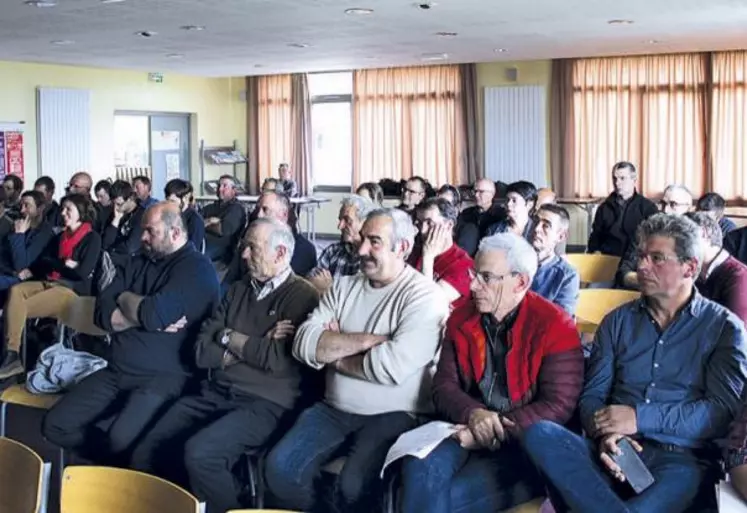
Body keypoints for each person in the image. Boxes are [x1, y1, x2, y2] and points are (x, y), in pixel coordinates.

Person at [522, 213, 747, 513]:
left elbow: (720, 413)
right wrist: (606, 433)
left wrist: (639, 418)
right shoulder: (617, 322)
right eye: (641, 256)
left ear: (689, 267)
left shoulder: (724, 328)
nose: (641, 266)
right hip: (615, 450)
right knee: (540, 433)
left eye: (657, 258)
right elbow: (592, 396)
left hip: (682, 459)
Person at [264, 208, 450, 513]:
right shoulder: (343, 286)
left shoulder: (424, 297)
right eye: (362, 238)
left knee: (354, 486)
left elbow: (389, 367)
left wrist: (332, 354)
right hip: (333, 409)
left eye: (374, 241)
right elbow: (302, 343)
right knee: (280, 469)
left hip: (395, 413)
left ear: (402, 248)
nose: (361, 249)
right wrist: (365, 342)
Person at [130, 218, 320, 513]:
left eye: (252, 249)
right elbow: (201, 351)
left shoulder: (303, 295)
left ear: (280, 254)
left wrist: (227, 337)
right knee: (146, 450)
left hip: (266, 404)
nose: (243, 256)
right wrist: (246, 340)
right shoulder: (237, 289)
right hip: (216, 391)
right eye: (244, 247)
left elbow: (275, 359)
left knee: (201, 454)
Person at [399, 233, 583, 513]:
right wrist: (474, 415)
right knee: (418, 469)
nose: (472, 285)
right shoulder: (461, 317)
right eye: (474, 273)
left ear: (520, 282)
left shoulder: (556, 325)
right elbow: (444, 385)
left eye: (485, 277)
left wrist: (493, 428)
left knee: (444, 500)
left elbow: (558, 406)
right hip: (464, 426)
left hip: (524, 445)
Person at [42, 202, 220, 464]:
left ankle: (121, 477)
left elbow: (151, 314)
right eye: (142, 231)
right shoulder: (139, 261)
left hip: (165, 377)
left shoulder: (197, 269)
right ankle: (112, 465)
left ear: (175, 233)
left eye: (150, 231)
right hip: (117, 369)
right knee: (55, 425)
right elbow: (102, 313)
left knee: (119, 439)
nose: (143, 238)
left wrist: (128, 304)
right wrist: (140, 311)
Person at [0, 194, 101, 380]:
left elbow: (81, 273)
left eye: (68, 209)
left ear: (81, 212)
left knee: (18, 307)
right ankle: (12, 354)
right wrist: (64, 263)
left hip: (71, 289)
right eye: (62, 209)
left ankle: (13, 355)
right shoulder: (61, 237)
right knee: (15, 291)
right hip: (50, 281)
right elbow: (43, 261)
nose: (63, 213)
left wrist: (56, 264)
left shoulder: (91, 238)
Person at [616, 184, 693, 289]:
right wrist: (649, 281)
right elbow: (623, 272)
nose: (665, 210)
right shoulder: (644, 232)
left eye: (673, 204)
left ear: (688, 208)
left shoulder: (694, 239)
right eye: (663, 203)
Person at [409, 198, 473, 309]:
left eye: (429, 223)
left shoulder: (463, 265)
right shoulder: (416, 251)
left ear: (448, 225)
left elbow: (427, 305)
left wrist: (428, 257)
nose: (422, 230)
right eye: (419, 223)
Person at [686, 212, 747, 324]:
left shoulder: (739, 277)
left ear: (703, 233)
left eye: (681, 238)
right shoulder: (692, 272)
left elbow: (736, 334)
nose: (675, 246)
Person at [587, 161, 658, 257]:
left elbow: (655, 238)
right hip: (607, 259)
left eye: (622, 178)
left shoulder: (648, 208)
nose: (617, 183)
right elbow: (595, 236)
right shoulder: (604, 208)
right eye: (614, 178)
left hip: (635, 259)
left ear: (634, 179)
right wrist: (595, 251)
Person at [307, 195, 374, 294]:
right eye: (340, 220)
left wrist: (329, 288)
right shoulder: (333, 251)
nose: (340, 226)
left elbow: (360, 300)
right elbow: (311, 280)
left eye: (347, 220)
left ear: (364, 223)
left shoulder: (371, 260)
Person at [0, 191, 54, 293]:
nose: (22, 210)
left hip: (30, 282)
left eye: (27, 206)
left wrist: (19, 235)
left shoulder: (45, 233)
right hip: (9, 274)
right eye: (21, 205)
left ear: (40, 208)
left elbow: (22, 265)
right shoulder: (16, 227)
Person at [530, 204, 579, 315]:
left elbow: (560, 321)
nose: (537, 228)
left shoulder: (567, 275)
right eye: (535, 221)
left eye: (546, 226)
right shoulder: (514, 262)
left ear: (560, 236)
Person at [202, 175, 246, 266]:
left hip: (222, 251)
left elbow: (223, 230)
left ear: (234, 190)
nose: (220, 189)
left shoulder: (236, 209)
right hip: (202, 241)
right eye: (219, 186)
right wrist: (210, 221)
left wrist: (205, 224)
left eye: (225, 186)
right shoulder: (210, 207)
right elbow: (195, 222)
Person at [102, 180, 145, 268]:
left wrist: (111, 249)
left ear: (130, 199)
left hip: (131, 264)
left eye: (119, 204)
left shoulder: (141, 216)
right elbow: (105, 243)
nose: (116, 207)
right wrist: (116, 220)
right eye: (113, 204)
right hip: (113, 262)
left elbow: (131, 247)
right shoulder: (114, 214)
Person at [456, 179, 503, 256]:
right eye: (475, 191)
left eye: (481, 192)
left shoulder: (501, 215)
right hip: (466, 256)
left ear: (492, 194)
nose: (476, 195)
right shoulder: (466, 213)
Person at [164, 179, 205, 252]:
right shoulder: (170, 216)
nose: (169, 205)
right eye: (167, 201)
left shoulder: (195, 221)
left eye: (173, 201)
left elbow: (192, 252)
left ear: (185, 198)